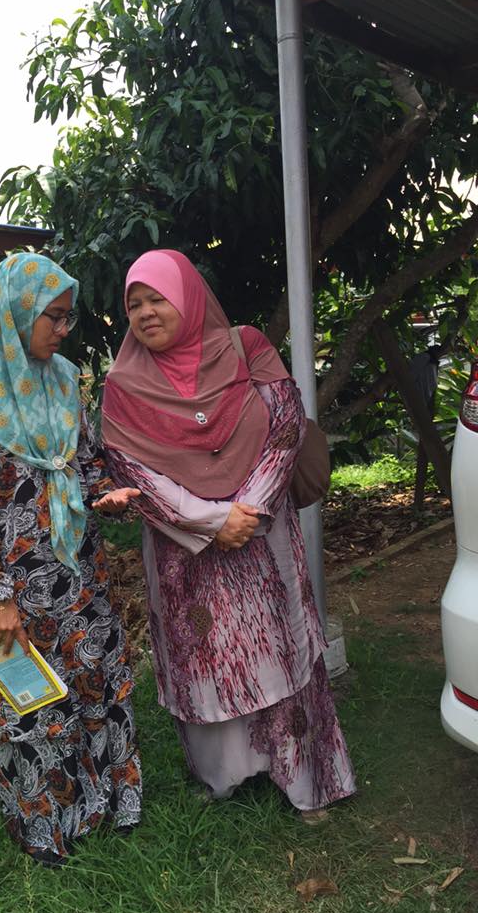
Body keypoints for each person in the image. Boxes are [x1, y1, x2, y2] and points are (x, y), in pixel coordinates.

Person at [98, 249, 355, 819]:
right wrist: (215, 522)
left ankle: (303, 776)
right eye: (133, 304)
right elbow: (131, 470)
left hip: (263, 534)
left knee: (279, 648)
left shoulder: (246, 346)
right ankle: (226, 777)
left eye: (156, 298)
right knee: (209, 657)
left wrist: (252, 507)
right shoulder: (123, 384)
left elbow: (286, 425)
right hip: (186, 550)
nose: (144, 313)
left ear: (188, 297)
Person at [0, 253, 142, 866]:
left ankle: (107, 800)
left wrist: (106, 493)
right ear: (15, 310)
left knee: (97, 678)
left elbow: (87, 458)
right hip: (14, 587)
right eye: (55, 317)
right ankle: (46, 825)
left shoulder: (65, 379)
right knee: (32, 706)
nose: (64, 330)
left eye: (70, 319)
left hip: (80, 569)